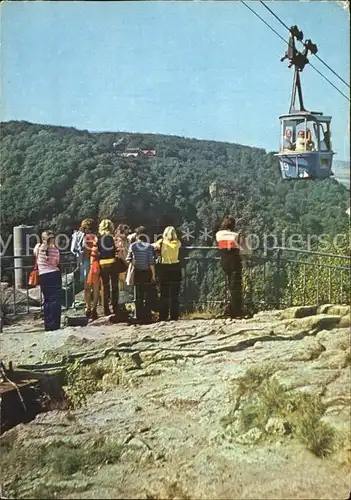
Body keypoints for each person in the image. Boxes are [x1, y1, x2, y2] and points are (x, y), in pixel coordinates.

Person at [215, 216, 243, 319]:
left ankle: (228, 308)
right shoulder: (236, 235)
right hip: (235, 263)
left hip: (224, 262)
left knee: (228, 286)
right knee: (235, 287)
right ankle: (236, 311)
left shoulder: (218, 234)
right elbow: (241, 247)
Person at [126, 226, 156, 324]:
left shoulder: (133, 246)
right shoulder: (150, 247)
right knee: (147, 295)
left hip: (137, 272)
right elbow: (151, 262)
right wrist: (153, 275)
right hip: (147, 272)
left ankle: (138, 315)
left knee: (138, 294)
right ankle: (147, 315)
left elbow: (128, 259)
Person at [71, 218, 99, 319]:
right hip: (91, 261)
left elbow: (75, 250)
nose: (88, 230)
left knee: (90, 286)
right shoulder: (94, 236)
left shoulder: (83, 236)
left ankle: (90, 308)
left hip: (87, 261)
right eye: (87, 228)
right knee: (92, 286)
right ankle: (91, 308)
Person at [34, 230, 61, 331]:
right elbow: (57, 262)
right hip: (54, 274)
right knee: (55, 300)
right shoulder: (55, 250)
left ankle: (48, 324)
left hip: (43, 275)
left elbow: (35, 255)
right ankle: (55, 324)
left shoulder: (37, 248)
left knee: (47, 300)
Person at [91, 219, 119, 317]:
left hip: (102, 263)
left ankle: (106, 309)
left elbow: (95, 252)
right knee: (115, 285)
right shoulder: (113, 237)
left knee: (105, 286)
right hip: (113, 262)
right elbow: (117, 249)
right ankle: (115, 307)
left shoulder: (98, 238)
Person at [153, 226, 182, 321]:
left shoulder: (161, 242)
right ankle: (174, 316)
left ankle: (163, 315)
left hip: (164, 268)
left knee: (164, 294)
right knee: (175, 295)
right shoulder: (177, 243)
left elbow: (152, 246)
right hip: (176, 268)